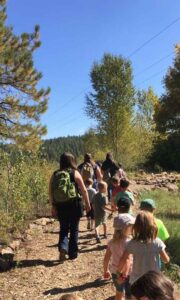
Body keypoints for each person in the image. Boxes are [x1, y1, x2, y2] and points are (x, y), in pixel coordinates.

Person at [49, 152, 91, 261]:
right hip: (75, 204)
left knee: (63, 228)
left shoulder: (55, 174)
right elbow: (84, 190)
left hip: (60, 205)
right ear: (72, 161)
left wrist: (53, 206)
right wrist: (87, 204)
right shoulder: (75, 173)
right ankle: (73, 254)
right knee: (74, 229)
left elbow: (50, 191)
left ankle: (63, 247)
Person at [117, 211, 170, 286]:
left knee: (136, 297)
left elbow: (123, 259)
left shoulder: (132, 243)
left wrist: (119, 273)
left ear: (136, 227)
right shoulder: (157, 242)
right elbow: (166, 260)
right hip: (154, 280)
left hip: (137, 281)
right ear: (153, 225)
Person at [103, 214, 135, 300]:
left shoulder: (111, 242)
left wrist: (106, 270)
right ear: (126, 228)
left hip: (115, 272)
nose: (132, 228)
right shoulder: (130, 242)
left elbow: (106, 258)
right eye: (131, 226)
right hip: (128, 273)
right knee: (130, 294)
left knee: (119, 292)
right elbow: (127, 260)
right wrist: (124, 276)